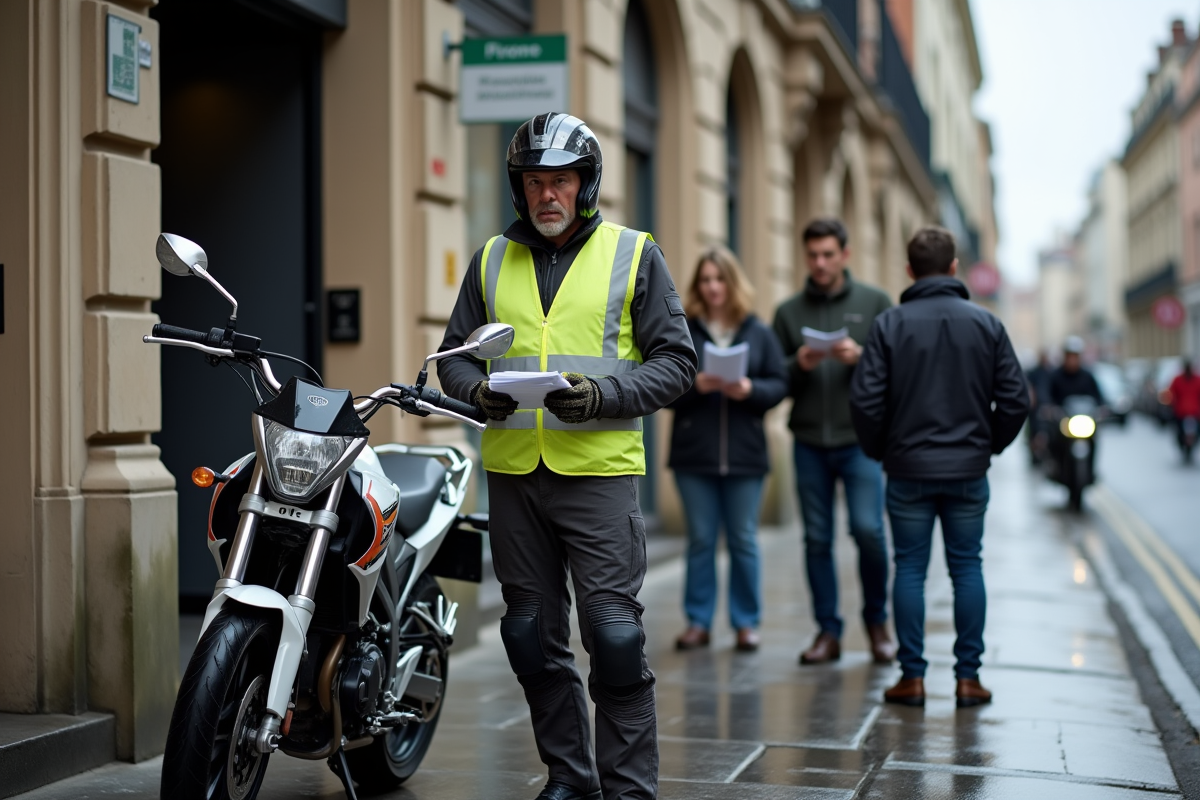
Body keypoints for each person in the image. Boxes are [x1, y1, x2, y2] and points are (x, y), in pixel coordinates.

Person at [435, 112, 695, 800]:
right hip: (515, 477)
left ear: (586, 186)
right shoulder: (492, 257)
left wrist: (605, 395)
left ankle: (630, 790)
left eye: (561, 181)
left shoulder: (634, 253)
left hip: (599, 477)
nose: (547, 195)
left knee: (612, 638)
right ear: (517, 190)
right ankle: (571, 779)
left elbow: (677, 362)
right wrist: (479, 392)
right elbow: (454, 360)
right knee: (527, 634)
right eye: (534, 182)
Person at [849, 226, 1029, 708]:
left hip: (906, 469)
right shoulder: (987, 324)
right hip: (968, 470)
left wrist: (880, 449)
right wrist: (988, 446)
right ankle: (968, 679)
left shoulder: (889, 325)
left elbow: (864, 402)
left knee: (908, 568)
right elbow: (1016, 399)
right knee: (967, 567)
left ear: (910, 270)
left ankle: (912, 678)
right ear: (954, 268)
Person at [771, 217, 897, 666]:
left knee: (868, 530)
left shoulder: (876, 303)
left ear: (845, 255)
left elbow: (897, 373)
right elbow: (773, 381)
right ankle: (828, 631)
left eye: (828, 255)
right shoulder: (788, 312)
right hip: (808, 441)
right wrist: (797, 364)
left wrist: (863, 358)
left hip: (861, 441)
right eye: (813, 256)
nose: (820, 263)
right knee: (817, 540)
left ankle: (877, 623)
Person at [669, 246, 788, 653]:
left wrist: (751, 389)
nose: (713, 287)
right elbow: (663, 386)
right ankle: (698, 622)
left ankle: (745, 623)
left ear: (732, 283)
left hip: (745, 453)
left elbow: (779, 382)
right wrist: (694, 386)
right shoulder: (683, 329)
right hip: (694, 453)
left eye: (719, 279)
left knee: (743, 539)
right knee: (701, 539)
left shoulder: (758, 330)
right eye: (705, 280)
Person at [1048, 336, 1103, 406]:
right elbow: (1048, 398)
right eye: (1069, 356)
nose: (1072, 360)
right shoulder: (1055, 377)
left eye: (1075, 356)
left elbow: (1098, 398)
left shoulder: (1087, 377)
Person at [1168, 362, 1200, 461]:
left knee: (1197, 433)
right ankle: (1183, 447)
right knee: (1179, 432)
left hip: (1195, 413)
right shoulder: (1177, 380)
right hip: (1181, 413)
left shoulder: (1197, 380)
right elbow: (1171, 393)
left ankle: (1191, 448)